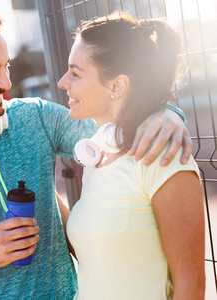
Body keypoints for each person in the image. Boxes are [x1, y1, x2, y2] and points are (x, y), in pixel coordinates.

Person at [0, 7, 192, 299]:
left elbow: (115, 126)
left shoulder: (35, 117)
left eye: (6, 66)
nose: (5, 82)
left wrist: (165, 112)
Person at [60, 13, 205, 299]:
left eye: (75, 73)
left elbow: (192, 287)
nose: (63, 81)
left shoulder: (162, 157)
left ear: (117, 86)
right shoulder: (98, 156)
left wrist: (169, 112)